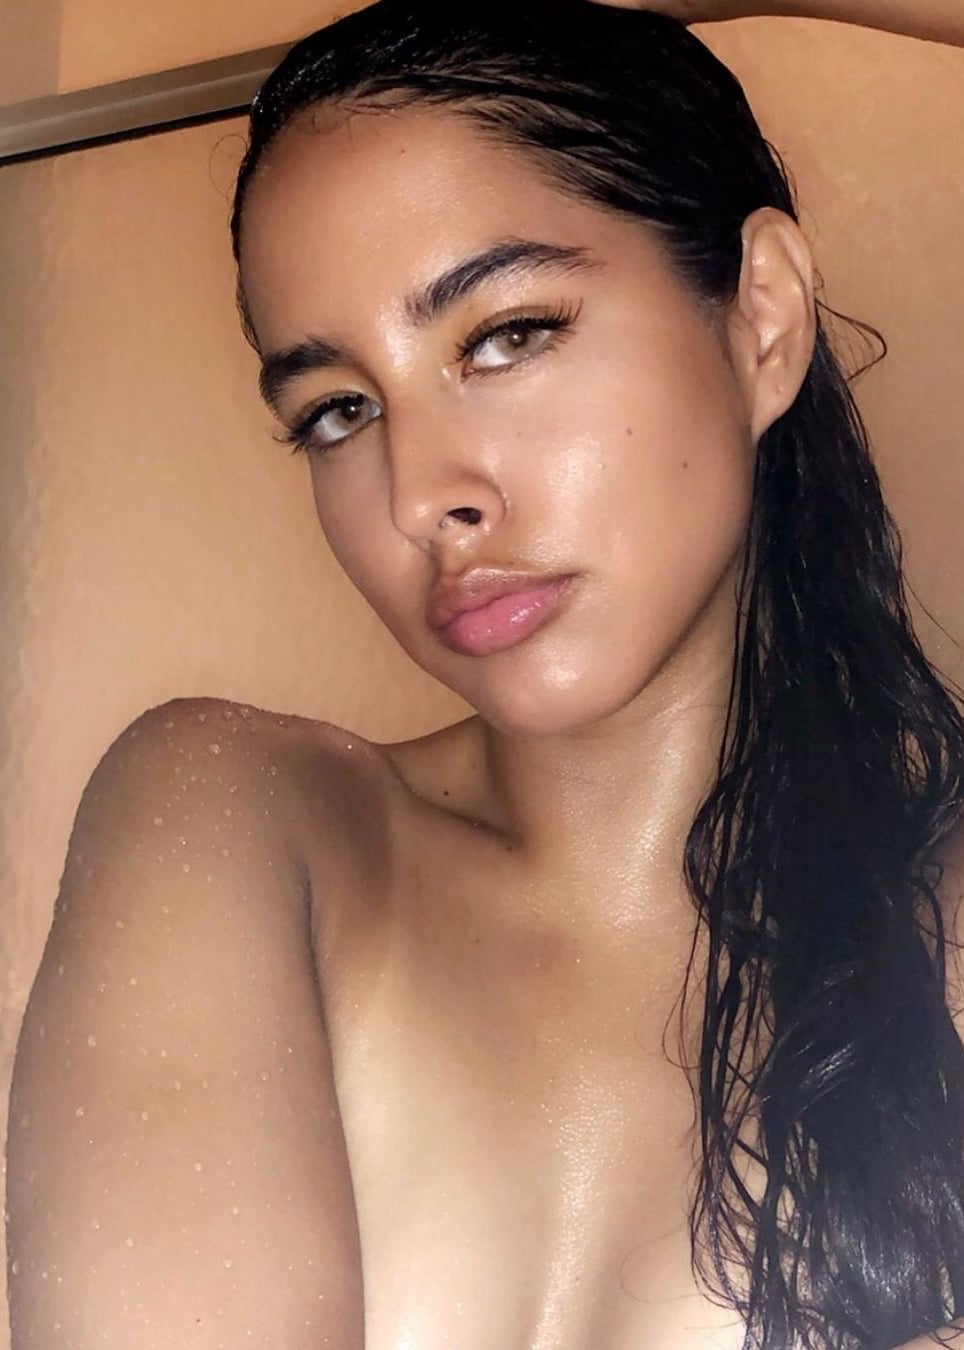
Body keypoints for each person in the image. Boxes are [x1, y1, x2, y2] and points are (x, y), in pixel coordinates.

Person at [6, 0, 964, 1346]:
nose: (419, 496)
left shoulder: (935, 925)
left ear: (761, 318)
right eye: (339, 410)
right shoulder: (235, 823)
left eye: (505, 336)